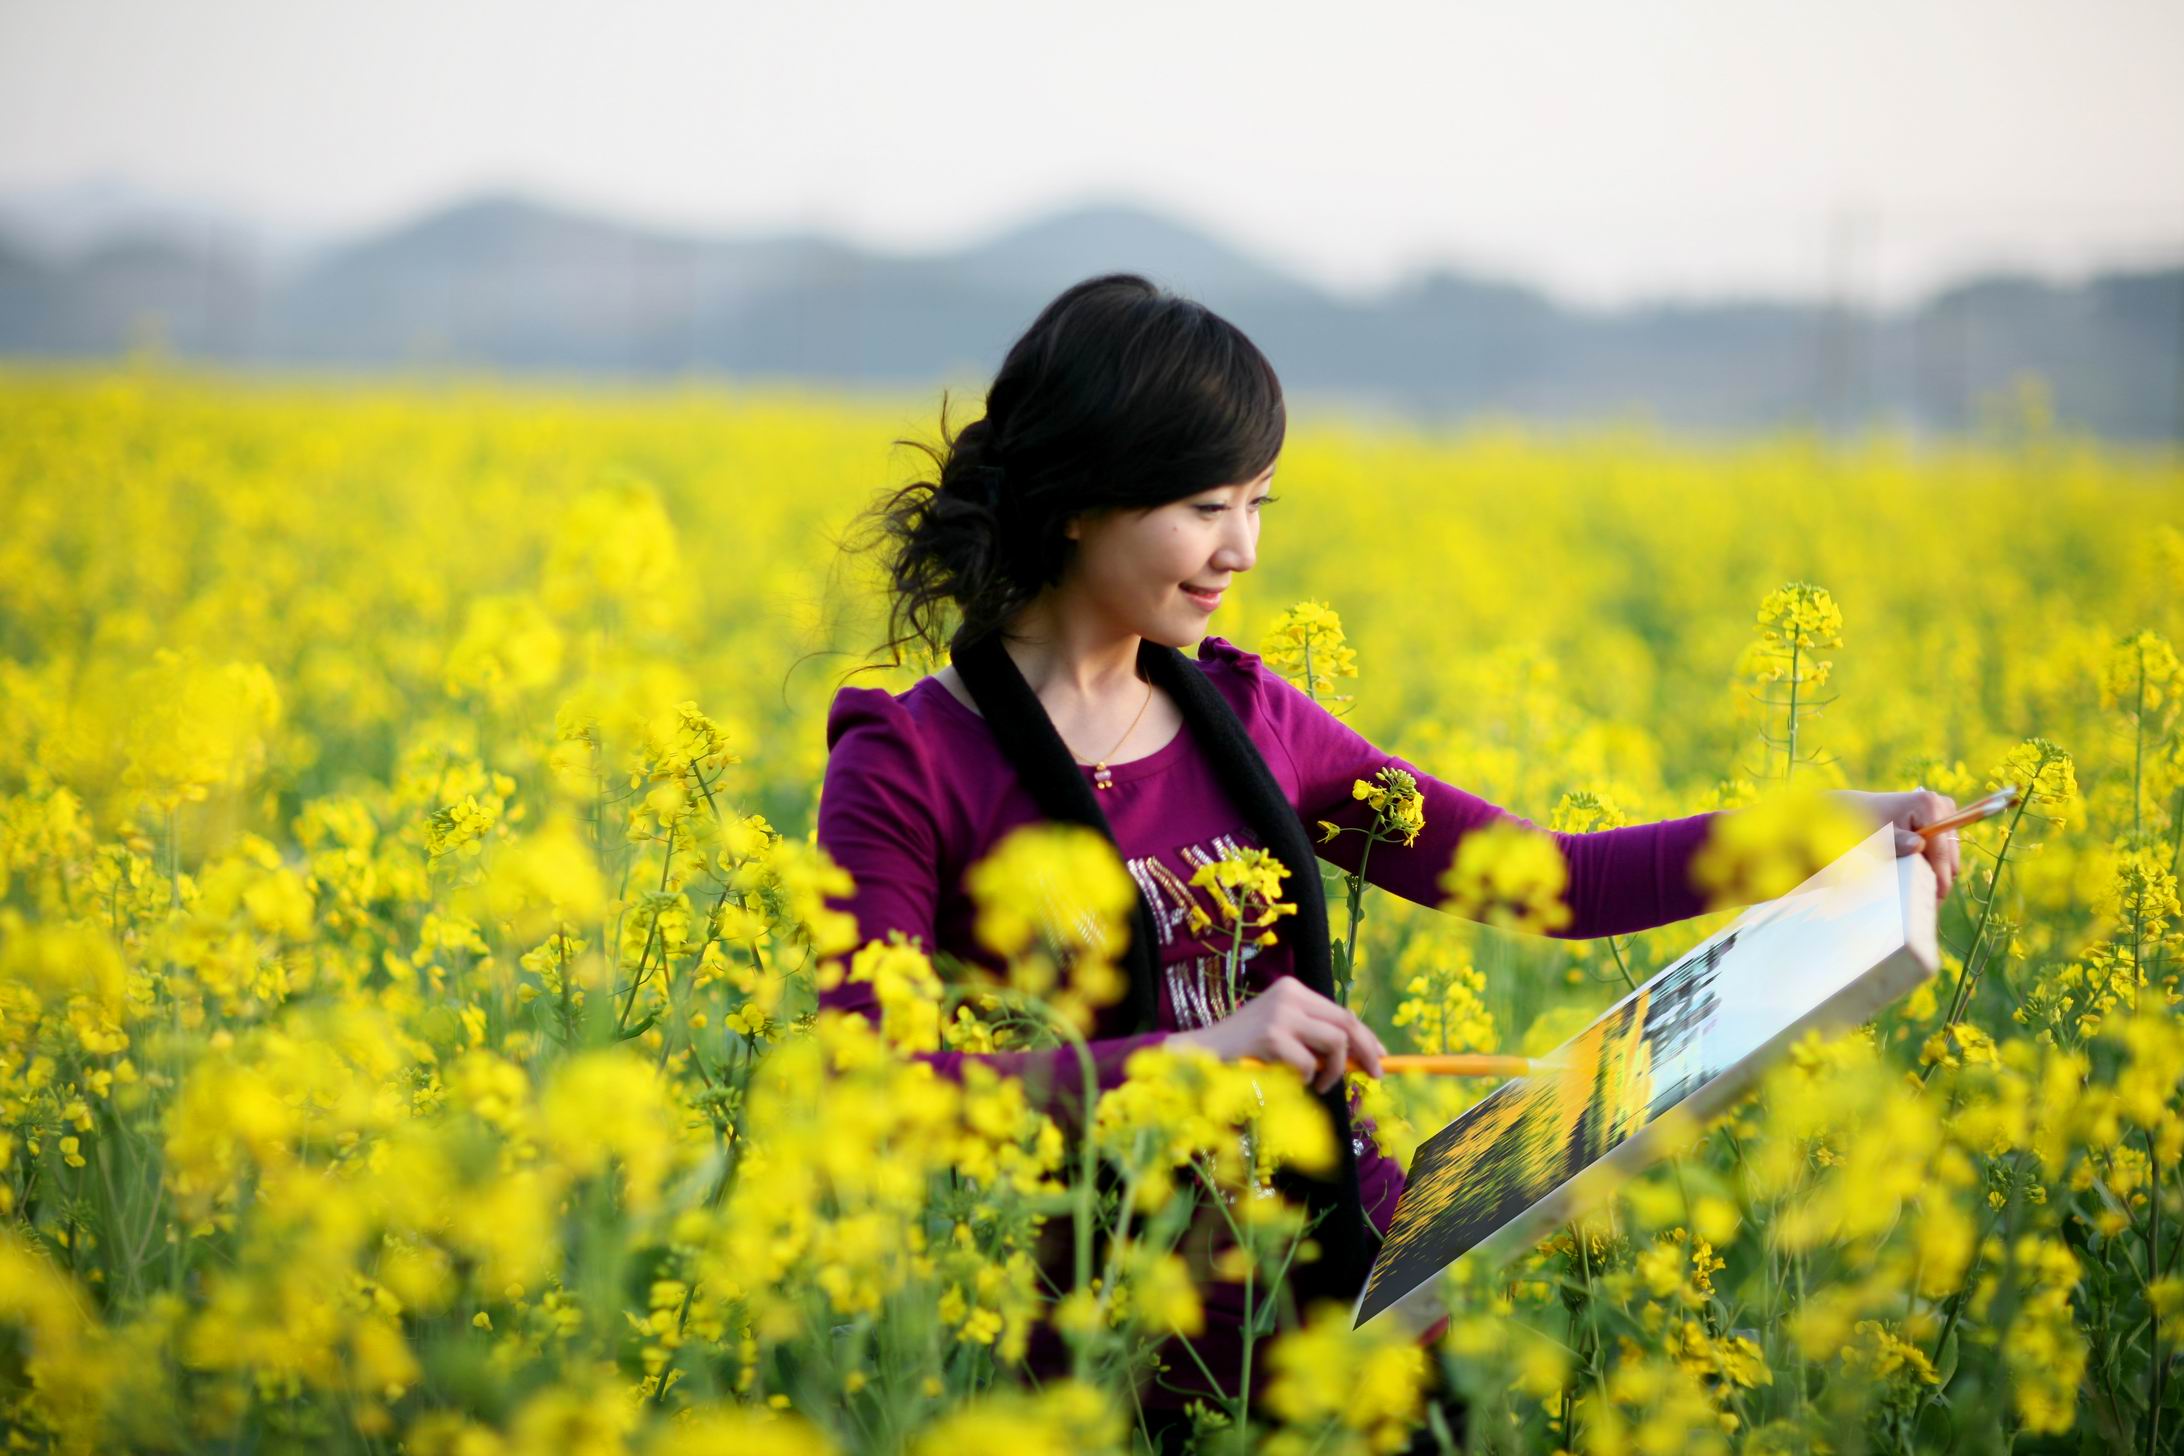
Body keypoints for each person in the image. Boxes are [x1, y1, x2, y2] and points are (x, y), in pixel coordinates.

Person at [813, 272, 1962, 1451]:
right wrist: (1198, 1058)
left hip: (1370, 1322)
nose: (1243, 550)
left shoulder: (1252, 719)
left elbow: (1547, 878)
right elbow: (873, 1091)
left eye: (1260, 502)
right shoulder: (909, 764)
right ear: (1078, 502)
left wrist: (1821, 829)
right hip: (1122, 1369)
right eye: (1208, 507)